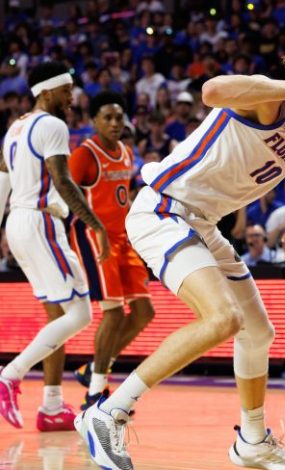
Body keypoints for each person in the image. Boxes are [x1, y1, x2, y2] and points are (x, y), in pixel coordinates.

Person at [76, 31, 285, 470]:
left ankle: (252, 441)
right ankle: (108, 411)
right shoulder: (268, 99)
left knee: (258, 333)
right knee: (223, 319)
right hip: (164, 209)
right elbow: (211, 91)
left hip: (203, 224)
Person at [0, 61, 109, 431]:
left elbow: (2, 179)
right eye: (66, 91)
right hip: (40, 223)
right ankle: (10, 375)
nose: (72, 98)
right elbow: (62, 180)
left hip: (19, 223)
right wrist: (95, 225)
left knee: (58, 316)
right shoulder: (52, 125)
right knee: (80, 314)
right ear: (47, 92)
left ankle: (51, 406)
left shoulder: (16, 127)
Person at [67, 91, 156, 410]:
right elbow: (66, 194)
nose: (115, 123)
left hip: (123, 237)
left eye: (119, 117)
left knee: (145, 312)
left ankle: (94, 367)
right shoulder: (84, 154)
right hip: (94, 236)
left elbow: (121, 197)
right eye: (108, 117)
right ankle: (95, 391)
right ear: (94, 121)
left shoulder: (127, 153)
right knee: (114, 312)